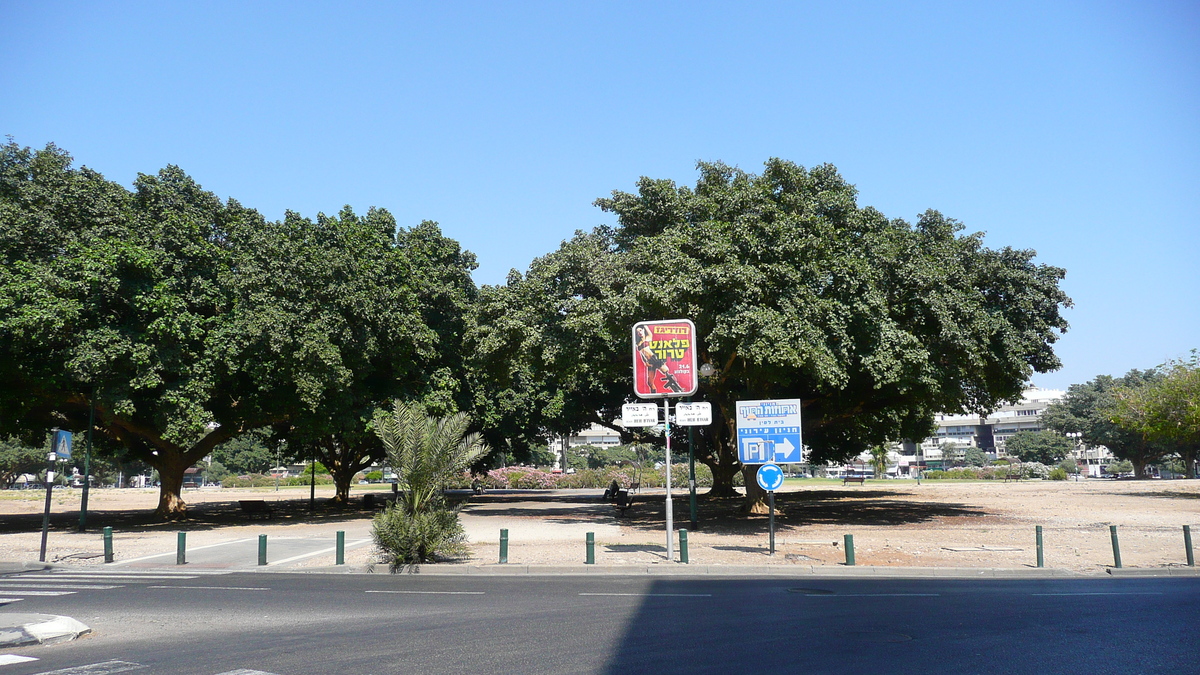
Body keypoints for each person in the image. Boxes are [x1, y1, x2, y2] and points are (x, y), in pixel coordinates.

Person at [635, 325, 683, 393]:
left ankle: (678, 389)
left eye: (640, 330)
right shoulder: (638, 343)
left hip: (654, 358)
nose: (639, 332)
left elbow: (648, 330)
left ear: (643, 330)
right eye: (637, 332)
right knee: (650, 382)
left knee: (667, 372)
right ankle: (653, 395)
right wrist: (645, 361)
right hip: (649, 362)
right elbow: (642, 354)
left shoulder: (648, 337)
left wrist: (644, 325)